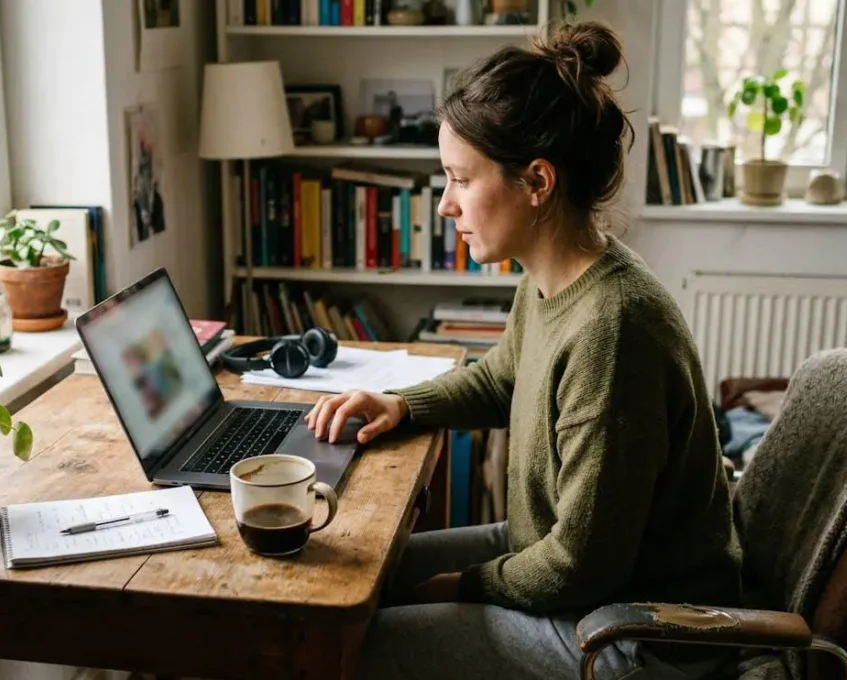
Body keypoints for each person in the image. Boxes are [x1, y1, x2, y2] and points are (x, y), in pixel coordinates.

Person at [303, 20, 743, 680]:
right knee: (358, 568)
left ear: (537, 181)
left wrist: (464, 585)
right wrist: (400, 405)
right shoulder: (554, 276)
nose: (446, 204)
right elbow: (502, 379)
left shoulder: (613, 329)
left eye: (459, 179)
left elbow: (579, 565)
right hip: (566, 566)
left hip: (635, 634)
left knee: (349, 647)